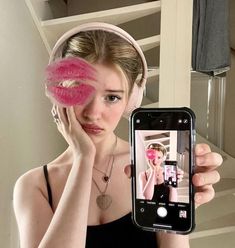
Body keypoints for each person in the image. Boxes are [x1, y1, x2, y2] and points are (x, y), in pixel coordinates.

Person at [13, 22, 222, 248]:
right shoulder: (35, 186)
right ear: (60, 94)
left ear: (131, 101)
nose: (93, 113)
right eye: (79, 91)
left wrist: (176, 208)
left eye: (112, 97)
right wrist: (84, 158)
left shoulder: (151, 165)